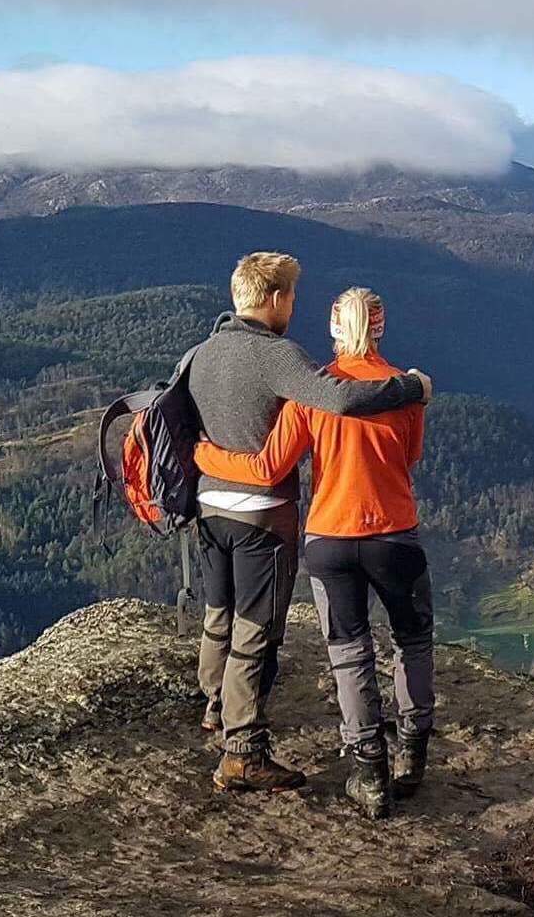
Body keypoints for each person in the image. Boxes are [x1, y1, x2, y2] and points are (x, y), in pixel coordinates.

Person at [187, 254, 431, 794]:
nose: (292, 307)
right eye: (290, 297)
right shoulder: (380, 385)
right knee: (403, 641)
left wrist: (203, 457)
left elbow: (262, 455)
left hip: (276, 525)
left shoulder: (223, 362)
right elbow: (385, 437)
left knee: (333, 647)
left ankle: (363, 768)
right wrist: (410, 389)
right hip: (353, 526)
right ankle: (407, 753)